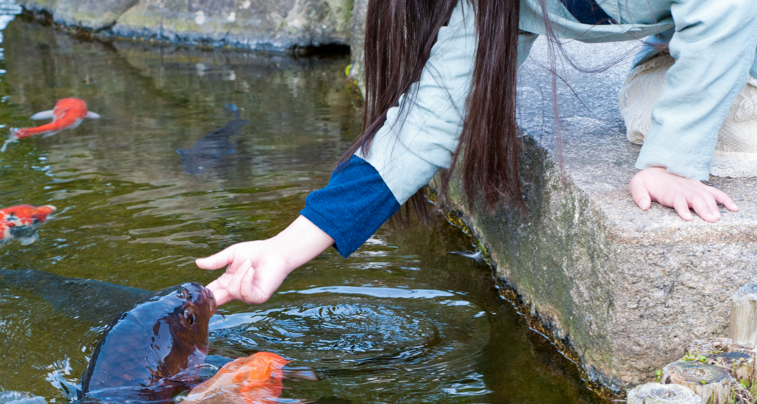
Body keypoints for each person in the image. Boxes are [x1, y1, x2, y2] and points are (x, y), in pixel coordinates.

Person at [197, 0, 756, 307]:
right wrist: (285, 248)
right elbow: (424, 124)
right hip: (704, 48)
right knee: (650, 110)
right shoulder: (489, 8)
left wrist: (672, 160)